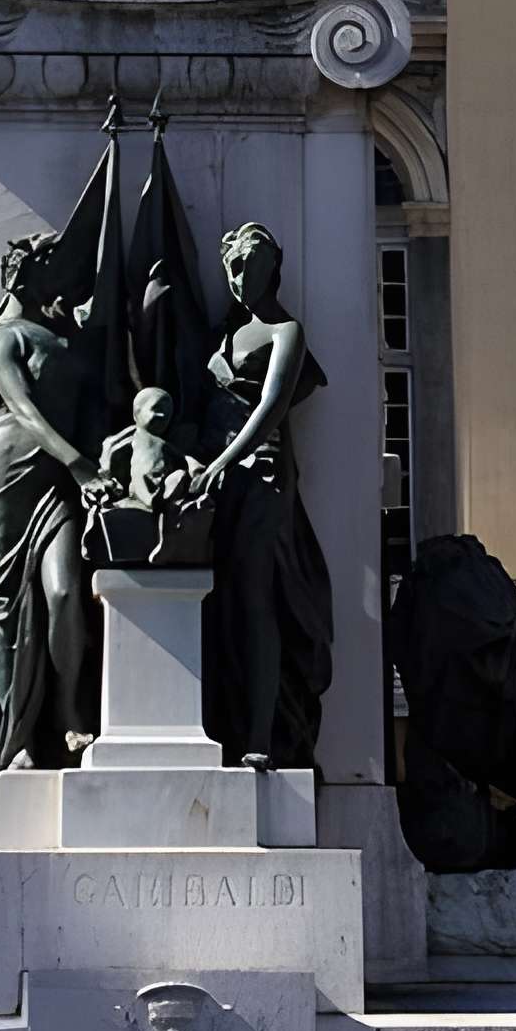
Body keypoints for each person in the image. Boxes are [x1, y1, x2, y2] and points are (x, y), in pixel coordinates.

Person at [0, 232, 116, 818]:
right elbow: (23, 408)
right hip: (8, 473)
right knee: (3, 607)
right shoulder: (0, 339)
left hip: (65, 479)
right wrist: (79, 463)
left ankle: (68, 711)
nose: (45, 276)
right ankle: (13, 741)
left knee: (67, 592)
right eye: (37, 268)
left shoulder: (68, 338)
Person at [195, 222, 333, 768]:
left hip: (260, 476)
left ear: (271, 265)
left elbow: (272, 406)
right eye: (230, 268)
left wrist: (222, 464)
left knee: (256, 602)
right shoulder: (223, 334)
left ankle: (260, 734)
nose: (236, 278)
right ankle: (223, 724)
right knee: (219, 605)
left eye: (246, 266)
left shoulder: (286, 332)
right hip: (216, 480)